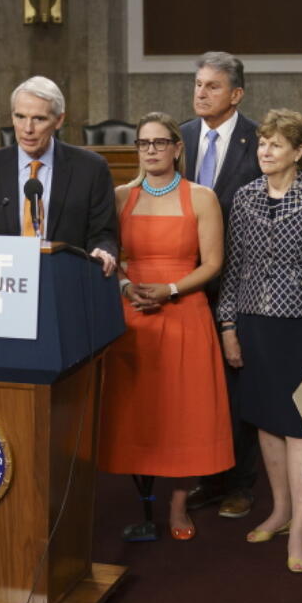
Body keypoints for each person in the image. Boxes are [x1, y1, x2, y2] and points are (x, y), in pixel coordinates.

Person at [217, 109, 302, 573]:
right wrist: (228, 327)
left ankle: (301, 527)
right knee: (266, 423)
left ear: (298, 151)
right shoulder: (244, 197)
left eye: (275, 144)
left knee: (299, 426)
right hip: (253, 324)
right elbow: (232, 269)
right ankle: (280, 510)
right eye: (261, 144)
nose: (265, 151)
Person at [98, 112, 233, 542]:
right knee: (140, 410)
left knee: (182, 412)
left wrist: (170, 289)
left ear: (177, 147)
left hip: (184, 312)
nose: (151, 150)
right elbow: (108, 252)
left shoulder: (202, 197)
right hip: (132, 314)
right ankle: (142, 501)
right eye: (143, 143)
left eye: (160, 143)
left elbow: (213, 263)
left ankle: (177, 504)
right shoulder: (120, 196)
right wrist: (123, 285)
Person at [181, 51, 263, 520]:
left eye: (212, 86)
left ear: (235, 94)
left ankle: (240, 484)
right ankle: (207, 478)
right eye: (197, 84)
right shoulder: (182, 138)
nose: (200, 93)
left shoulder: (259, 141)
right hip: (189, 282)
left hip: (243, 284)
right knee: (198, 386)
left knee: (238, 384)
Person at [0, 76, 118, 274]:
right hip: (3, 283)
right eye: (20, 117)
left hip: (66, 281)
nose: (28, 129)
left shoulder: (91, 169)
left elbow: (104, 233)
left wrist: (103, 251)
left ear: (59, 120)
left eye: (39, 119)